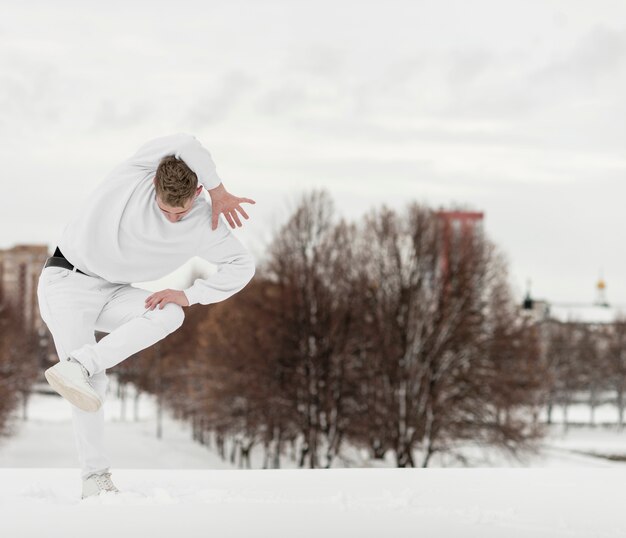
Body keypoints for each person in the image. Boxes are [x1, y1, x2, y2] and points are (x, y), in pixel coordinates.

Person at [36, 133, 256, 499]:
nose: (173, 217)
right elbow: (186, 141)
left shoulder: (205, 221)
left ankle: (81, 363)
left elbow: (242, 266)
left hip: (114, 291)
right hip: (67, 282)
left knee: (170, 314)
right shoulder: (136, 171)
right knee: (91, 384)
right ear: (153, 185)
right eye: (165, 209)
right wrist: (220, 188)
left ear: (197, 194)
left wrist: (188, 294)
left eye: (180, 211)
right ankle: (95, 478)